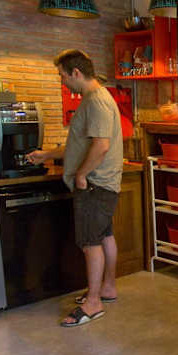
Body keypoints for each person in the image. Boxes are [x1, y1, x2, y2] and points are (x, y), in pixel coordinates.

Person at [28, 49, 123, 327]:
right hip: (100, 184)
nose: (62, 81)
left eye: (63, 76)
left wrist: (81, 174)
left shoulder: (97, 101)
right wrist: (46, 154)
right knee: (104, 236)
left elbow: (101, 146)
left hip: (94, 184)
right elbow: (79, 145)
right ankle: (107, 288)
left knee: (90, 243)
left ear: (76, 73)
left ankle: (93, 303)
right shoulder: (93, 99)